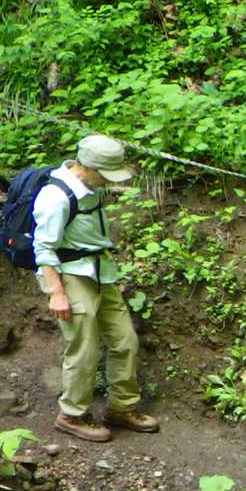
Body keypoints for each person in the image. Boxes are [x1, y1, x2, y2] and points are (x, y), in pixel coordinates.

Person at [32, 135, 157, 443]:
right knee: (84, 347)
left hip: (100, 272)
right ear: (86, 167)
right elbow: (43, 248)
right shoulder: (55, 196)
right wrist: (57, 293)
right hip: (70, 276)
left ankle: (121, 408)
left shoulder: (89, 186)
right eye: (105, 174)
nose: (108, 181)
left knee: (124, 340)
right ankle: (71, 415)